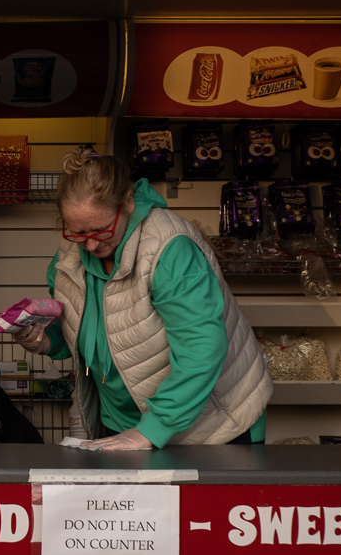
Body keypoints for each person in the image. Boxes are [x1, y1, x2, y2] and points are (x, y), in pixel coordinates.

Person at [15, 148, 272, 449]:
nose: (90, 244)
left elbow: (202, 348)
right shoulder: (70, 256)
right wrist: (46, 341)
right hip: (123, 426)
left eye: (101, 230)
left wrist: (152, 430)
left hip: (214, 426)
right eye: (77, 232)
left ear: (127, 203)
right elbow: (81, 328)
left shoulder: (168, 249)